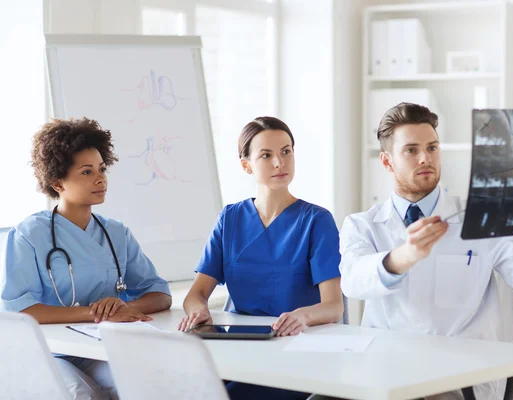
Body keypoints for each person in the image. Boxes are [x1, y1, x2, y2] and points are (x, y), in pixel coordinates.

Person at [339, 103, 513, 400]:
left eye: (432, 147)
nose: (425, 158)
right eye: (411, 150)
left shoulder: (483, 216)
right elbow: (353, 282)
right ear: (387, 162)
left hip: (459, 378)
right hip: (386, 373)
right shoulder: (362, 225)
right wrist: (403, 256)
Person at [1, 118, 172, 400]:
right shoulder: (29, 234)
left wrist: (124, 307)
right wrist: (96, 312)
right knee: (82, 395)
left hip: (102, 347)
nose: (100, 178)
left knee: (141, 386)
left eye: (102, 169)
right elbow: (21, 310)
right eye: (86, 171)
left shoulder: (116, 232)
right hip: (49, 351)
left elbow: (160, 294)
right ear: (57, 182)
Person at [178, 116, 343, 400]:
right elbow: (196, 294)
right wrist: (198, 311)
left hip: (292, 350)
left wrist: (301, 316)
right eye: (266, 155)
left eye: (286, 152)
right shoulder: (229, 219)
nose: (279, 163)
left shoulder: (317, 221)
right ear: (246, 165)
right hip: (236, 349)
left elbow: (333, 307)